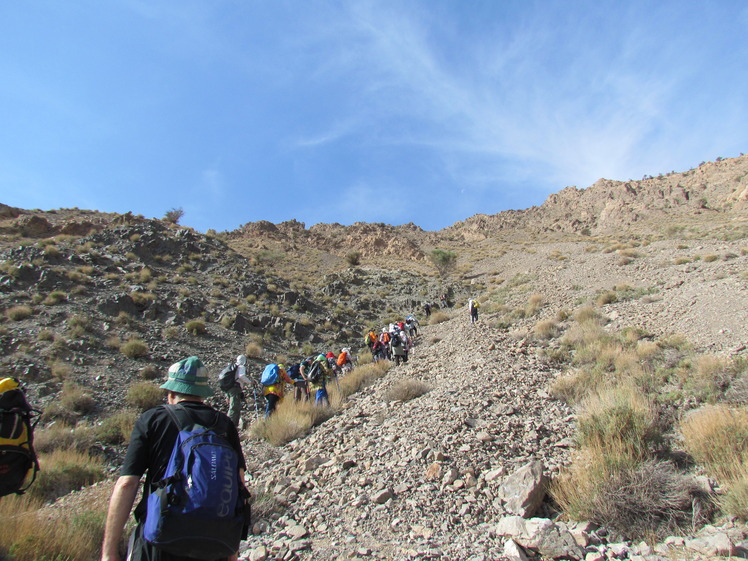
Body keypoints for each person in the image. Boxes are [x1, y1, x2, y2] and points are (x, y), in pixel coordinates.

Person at [101, 356, 248, 561]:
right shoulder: (224, 424)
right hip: (215, 546)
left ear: (171, 392)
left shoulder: (153, 419)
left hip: (159, 541)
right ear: (202, 393)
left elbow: (127, 483)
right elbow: (236, 486)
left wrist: (108, 553)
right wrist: (231, 552)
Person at [224, 354, 252, 428]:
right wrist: (250, 382)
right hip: (235, 389)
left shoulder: (232, 367)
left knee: (232, 406)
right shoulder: (241, 367)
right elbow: (241, 376)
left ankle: (230, 424)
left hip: (229, 388)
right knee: (234, 407)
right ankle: (231, 426)